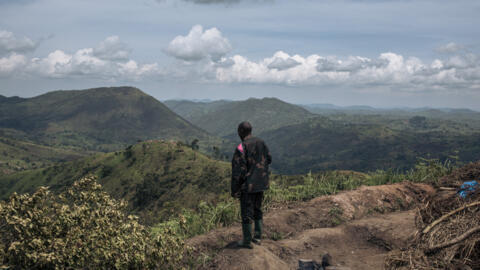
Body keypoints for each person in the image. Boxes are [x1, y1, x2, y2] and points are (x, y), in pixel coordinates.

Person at [231, 121, 272, 249]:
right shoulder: (261, 142)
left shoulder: (241, 147)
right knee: (257, 209)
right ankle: (258, 237)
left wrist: (235, 189)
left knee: (247, 212)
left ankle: (247, 241)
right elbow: (269, 159)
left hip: (248, 186)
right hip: (261, 183)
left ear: (241, 132)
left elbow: (238, 171)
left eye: (239, 131)